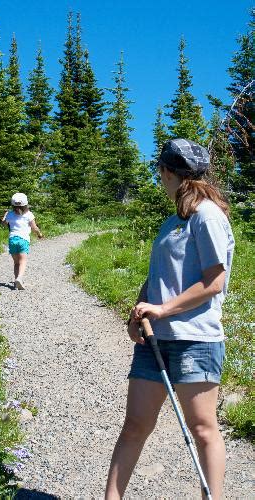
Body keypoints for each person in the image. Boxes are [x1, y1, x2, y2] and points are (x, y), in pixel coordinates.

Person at [105, 138, 235, 500]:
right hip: (154, 340)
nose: (159, 177)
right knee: (135, 425)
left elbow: (214, 281)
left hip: (196, 339)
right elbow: (158, 277)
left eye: (160, 171)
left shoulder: (207, 216)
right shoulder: (171, 222)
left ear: (168, 172)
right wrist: (140, 310)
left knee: (203, 428)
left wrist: (162, 310)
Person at [1, 192, 43, 290]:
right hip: (23, 240)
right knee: (23, 261)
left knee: (16, 263)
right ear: (25, 204)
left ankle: (16, 282)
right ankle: (19, 278)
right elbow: (34, 228)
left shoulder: (10, 214)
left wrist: (4, 216)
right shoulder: (29, 214)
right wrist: (39, 234)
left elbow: (3, 224)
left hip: (12, 240)